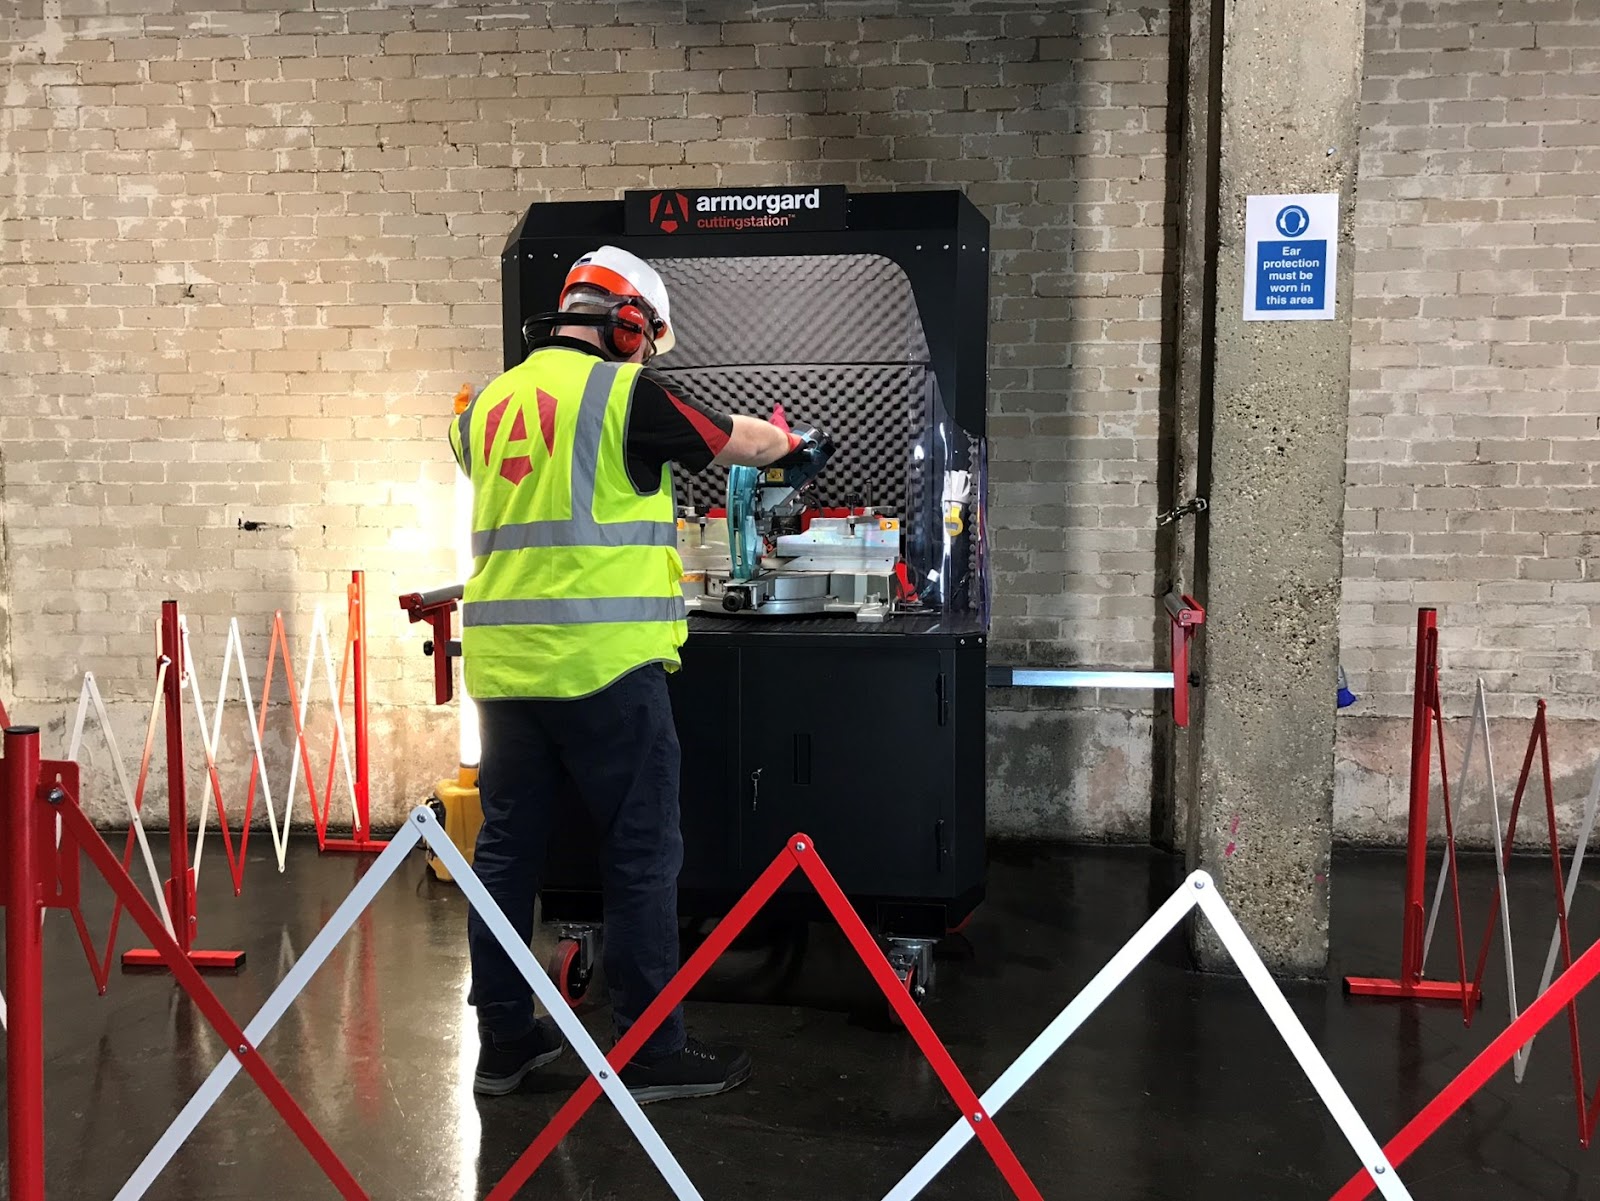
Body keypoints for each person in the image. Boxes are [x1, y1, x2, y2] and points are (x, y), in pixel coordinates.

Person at [449, 246, 816, 1101]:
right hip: (605, 666)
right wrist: (794, 442)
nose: (647, 352)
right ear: (625, 322)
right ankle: (650, 1049)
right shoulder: (623, 395)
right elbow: (739, 442)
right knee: (642, 851)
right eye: (647, 336)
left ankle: (504, 1042)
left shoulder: (486, 405)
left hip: (505, 672)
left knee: (505, 854)